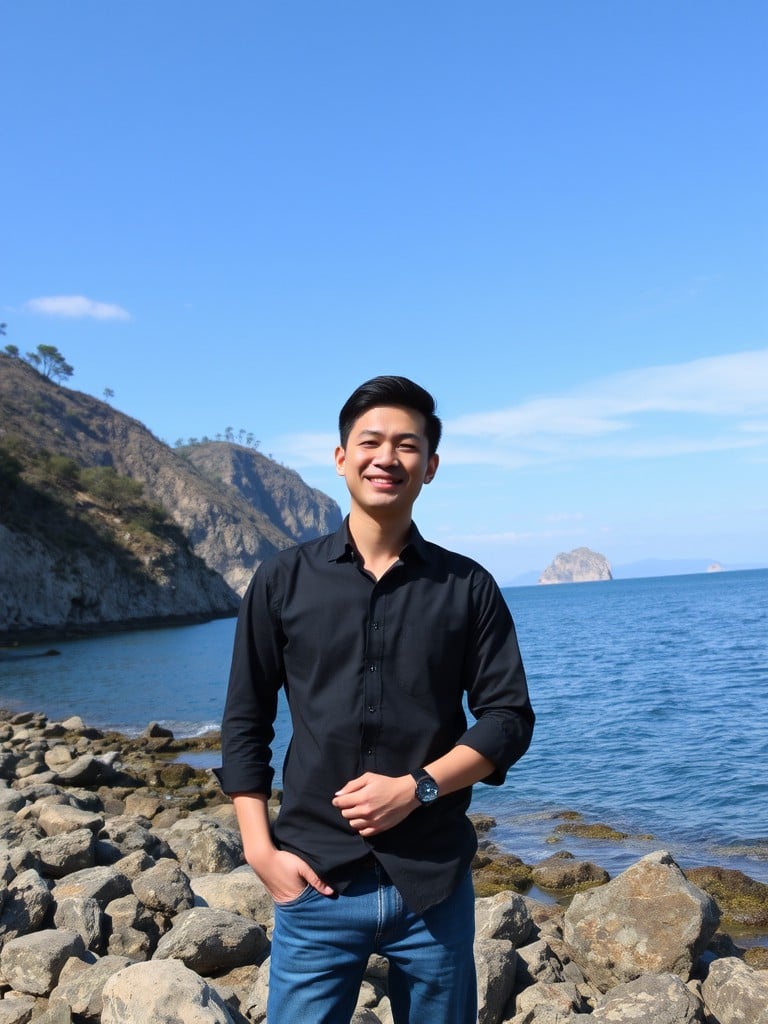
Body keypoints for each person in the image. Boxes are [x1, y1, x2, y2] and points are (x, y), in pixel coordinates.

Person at [214, 375, 534, 1024]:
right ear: (341, 458)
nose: (387, 458)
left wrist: (416, 786)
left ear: (431, 466)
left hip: (434, 885)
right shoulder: (283, 580)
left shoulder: (467, 587)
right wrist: (258, 850)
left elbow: (507, 720)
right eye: (371, 441)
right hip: (314, 879)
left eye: (407, 445)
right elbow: (246, 720)